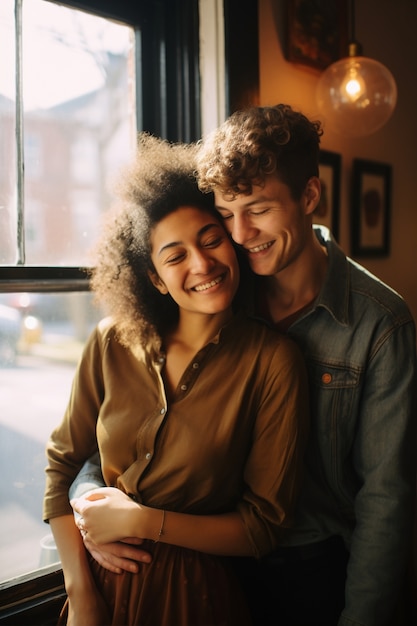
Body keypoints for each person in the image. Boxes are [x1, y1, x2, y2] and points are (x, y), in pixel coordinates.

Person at [74, 105, 417, 626]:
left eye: (257, 209)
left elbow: (387, 502)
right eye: (226, 215)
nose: (241, 233)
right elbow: (128, 423)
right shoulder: (217, 289)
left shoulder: (380, 324)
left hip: (312, 569)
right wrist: (89, 510)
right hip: (202, 561)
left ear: (308, 196)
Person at [43, 133, 310, 626]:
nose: (202, 263)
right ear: (154, 279)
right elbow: (63, 467)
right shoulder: (110, 342)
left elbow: (262, 526)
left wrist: (143, 521)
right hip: (94, 594)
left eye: (211, 240)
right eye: (175, 255)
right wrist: (80, 594)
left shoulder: (272, 361)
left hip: (194, 600)